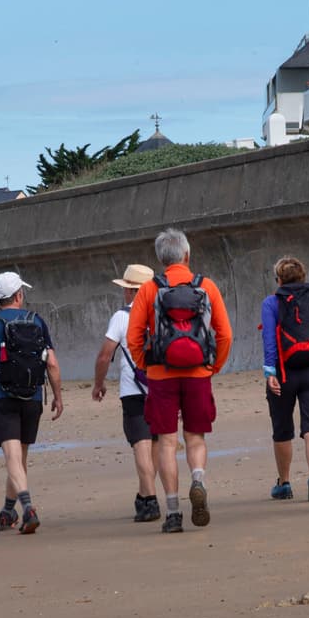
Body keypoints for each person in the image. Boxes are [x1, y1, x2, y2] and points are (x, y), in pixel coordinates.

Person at [126, 228, 233, 533]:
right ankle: (197, 478)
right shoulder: (207, 286)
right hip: (198, 373)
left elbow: (134, 337)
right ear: (187, 255)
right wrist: (213, 366)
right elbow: (225, 334)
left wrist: (146, 365)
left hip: (161, 375)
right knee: (195, 437)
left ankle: (173, 512)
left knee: (167, 443)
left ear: (161, 259)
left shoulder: (148, 290)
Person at [0, 270, 62, 534]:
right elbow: (53, 364)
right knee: (20, 458)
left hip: (3, 396)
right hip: (32, 395)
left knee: (12, 456)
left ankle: (27, 507)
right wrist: (58, 396)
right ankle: (7, 510)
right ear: (19, 295)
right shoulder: (36, 320)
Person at [93, 263, 160, 523]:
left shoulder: (122, 317)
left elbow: (104, 355)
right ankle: (144, 495)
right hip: (162, 387)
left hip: (134, 390)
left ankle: (150, 501)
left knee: (141, 444)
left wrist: (98, 384)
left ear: (132, 291)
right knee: (155, 442)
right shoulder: (162, 314)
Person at [261, 257, 309, 501]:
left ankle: (284, 483)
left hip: (283, 373)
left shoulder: (271, 303)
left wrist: (270, 374)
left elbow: (269, 339)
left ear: (279, 280)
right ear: (303, 277)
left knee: (282, 429)